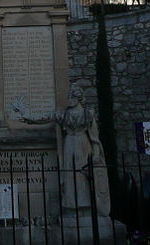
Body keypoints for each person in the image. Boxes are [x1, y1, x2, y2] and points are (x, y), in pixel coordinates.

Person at [16, 84, 110, 216]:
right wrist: (27, 117)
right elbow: (45, 118)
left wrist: (95, 154)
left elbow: (94, 137)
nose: (69, 99)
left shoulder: (88, 114)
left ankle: (87, 207)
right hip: (69, 144)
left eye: (72, 96)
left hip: (83, 145)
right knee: (70, 175)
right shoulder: (63, 114)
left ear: (78, 98)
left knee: (84, 176)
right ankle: (72, 207)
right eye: (69, 96)